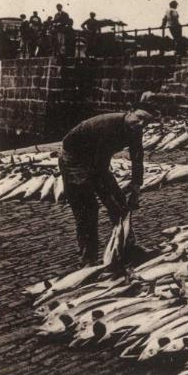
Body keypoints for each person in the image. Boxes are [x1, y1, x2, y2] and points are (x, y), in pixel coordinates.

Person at [59, 98, 159, 267]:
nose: (141, 124)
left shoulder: (135, 130)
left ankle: (127, 247)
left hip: (97, 160)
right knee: (87, 209)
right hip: (74, 159)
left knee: (121, 205)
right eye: (139, 117)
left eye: (146, 122)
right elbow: (98, 169)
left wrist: (135, 190)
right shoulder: (107, 126)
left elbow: (137, 158)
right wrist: (106, 195)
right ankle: (87, 259)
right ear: (130, 111)